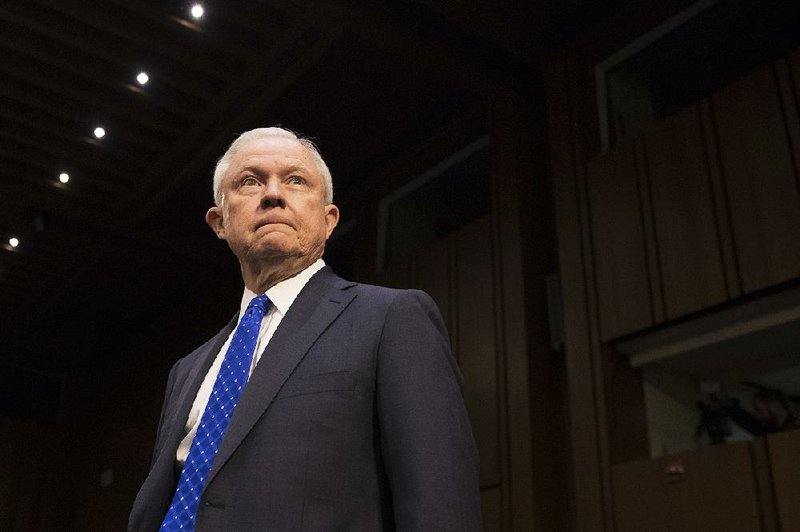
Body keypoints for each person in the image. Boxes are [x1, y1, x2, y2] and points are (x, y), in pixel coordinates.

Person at [128, 127, 482, 531]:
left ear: (329, 219)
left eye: (296, 180)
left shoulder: (392, 318)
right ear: (219, 221)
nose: (273, 194)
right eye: (250, 181)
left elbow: (440, 501)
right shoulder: (186, 370)